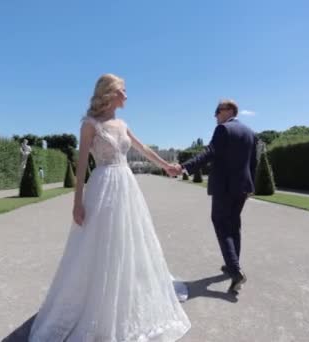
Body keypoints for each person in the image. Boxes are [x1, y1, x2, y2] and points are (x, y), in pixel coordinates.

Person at [29, 74, 190, 342]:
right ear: (110, 93)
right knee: (100, 244)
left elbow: (143, 148)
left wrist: (166, 165)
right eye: (123, 91)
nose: (127, 95)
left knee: (130, 242)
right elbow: (81, 166)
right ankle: (97, 303)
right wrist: (77, 202)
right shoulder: (90, 124)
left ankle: (125, 298)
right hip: (102, 185)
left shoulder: (123, 123)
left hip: (127, 186)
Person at [168, 99, 258, 295]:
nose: (215, 115)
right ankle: (232, 265)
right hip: (242, 188)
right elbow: (253, 163)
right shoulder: (251, 133)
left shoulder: (224, 130)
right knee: (234, 225)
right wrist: (251, 186)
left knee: (221, 224)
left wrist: (184, 167)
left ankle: (235, 271)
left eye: (218, 111)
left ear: (229, 111)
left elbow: (209, 153)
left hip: (224, 188)